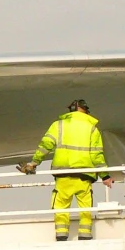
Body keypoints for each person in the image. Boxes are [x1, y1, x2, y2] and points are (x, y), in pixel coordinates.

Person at [17, 99, 114, 241]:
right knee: (85, 207)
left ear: (71, 110)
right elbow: (97, 155)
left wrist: (34, 163)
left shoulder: (58, 125)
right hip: (84, 175)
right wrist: (105, 176)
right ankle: (85, 235)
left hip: (63, 175)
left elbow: (45, 146)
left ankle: (61, 235)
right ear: (85, 110)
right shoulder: (92, 129)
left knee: (61, 206)